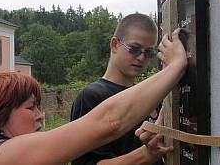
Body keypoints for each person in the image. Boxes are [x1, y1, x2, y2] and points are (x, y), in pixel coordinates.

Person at [0, 28, 187, 165]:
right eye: (30, 108)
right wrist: (175, 66)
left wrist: (145, 154)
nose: (40, 116)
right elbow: (109, 123)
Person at [70, 13, 164, 165]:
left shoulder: (149, 97)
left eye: (148, 52)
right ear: (114, 44)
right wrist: (145, 156)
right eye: (134, 49)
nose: (141, 58)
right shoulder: (91, 97)